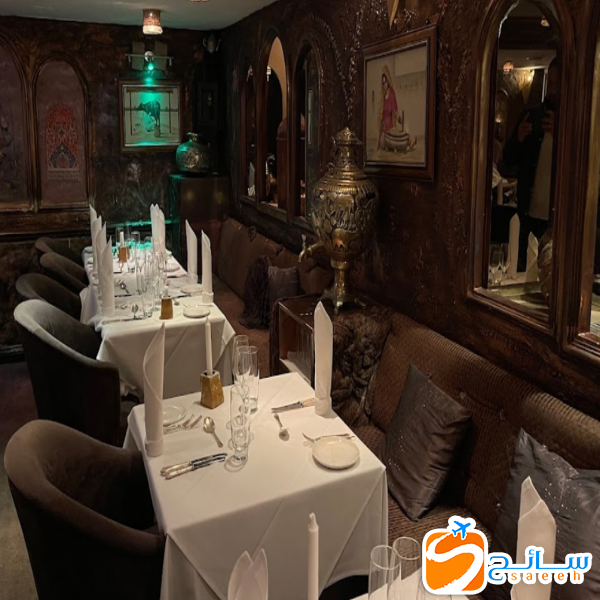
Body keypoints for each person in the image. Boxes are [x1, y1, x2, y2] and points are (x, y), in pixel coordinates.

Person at [502, 57, 559, 270]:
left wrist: (561, 134)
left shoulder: (577, 124)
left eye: (557, 85)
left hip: (557, 221)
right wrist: (518, 138)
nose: (552, 90)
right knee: (520, 271)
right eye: (550, 83)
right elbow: (507, 159)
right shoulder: (530, 116)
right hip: (527, 216)